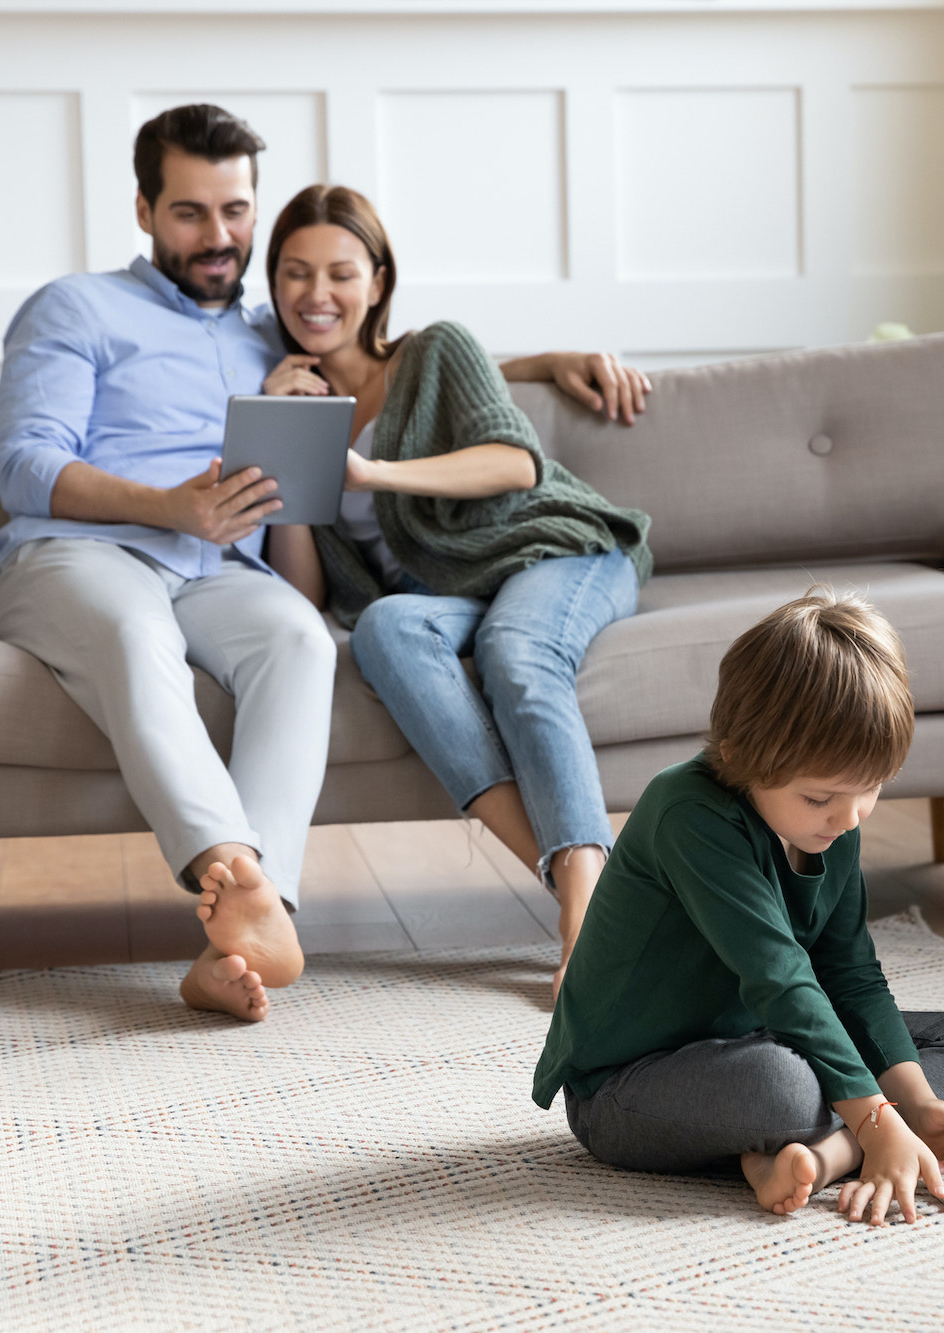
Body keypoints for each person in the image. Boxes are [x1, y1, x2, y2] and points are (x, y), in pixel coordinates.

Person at [0, 105, 642, 1023]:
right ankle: (236, 872)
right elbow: (22, 465)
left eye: (236, 211)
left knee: (302, 640)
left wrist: (547, 360)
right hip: (83, 553)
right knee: (138, 634)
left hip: (218, 571)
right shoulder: (76, 306)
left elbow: (392, 356)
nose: (219, 237)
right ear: (142, 209)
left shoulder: (277, 330)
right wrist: (167, 504)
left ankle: (247, 934)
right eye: (189, 213)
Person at [258, 184, 652, 993]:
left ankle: (584, 916)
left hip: (557, 553)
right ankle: (594, 892)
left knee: (516, 648)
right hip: (452, 595)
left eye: (340, 271)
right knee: (383, 629)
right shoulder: (296, 397)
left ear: (378, 280)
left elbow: (515, 461)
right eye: (295, 273)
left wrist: (372, 472)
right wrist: (285, 446)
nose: (316, 294)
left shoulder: (435, 348)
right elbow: (305, 593)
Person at [532, 592, 944, 1225]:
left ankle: (829, 1151)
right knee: (779, 1088)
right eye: (820, 798)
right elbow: (781, 977)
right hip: (627, 1084)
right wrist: (874, 1114)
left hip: (759, 1033)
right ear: (738, 755)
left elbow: (850, 974)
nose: (850, 816)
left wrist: (915, 1104)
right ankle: (849, 1137)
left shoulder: (834, 821)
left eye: (870, 788)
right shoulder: (687, 812)